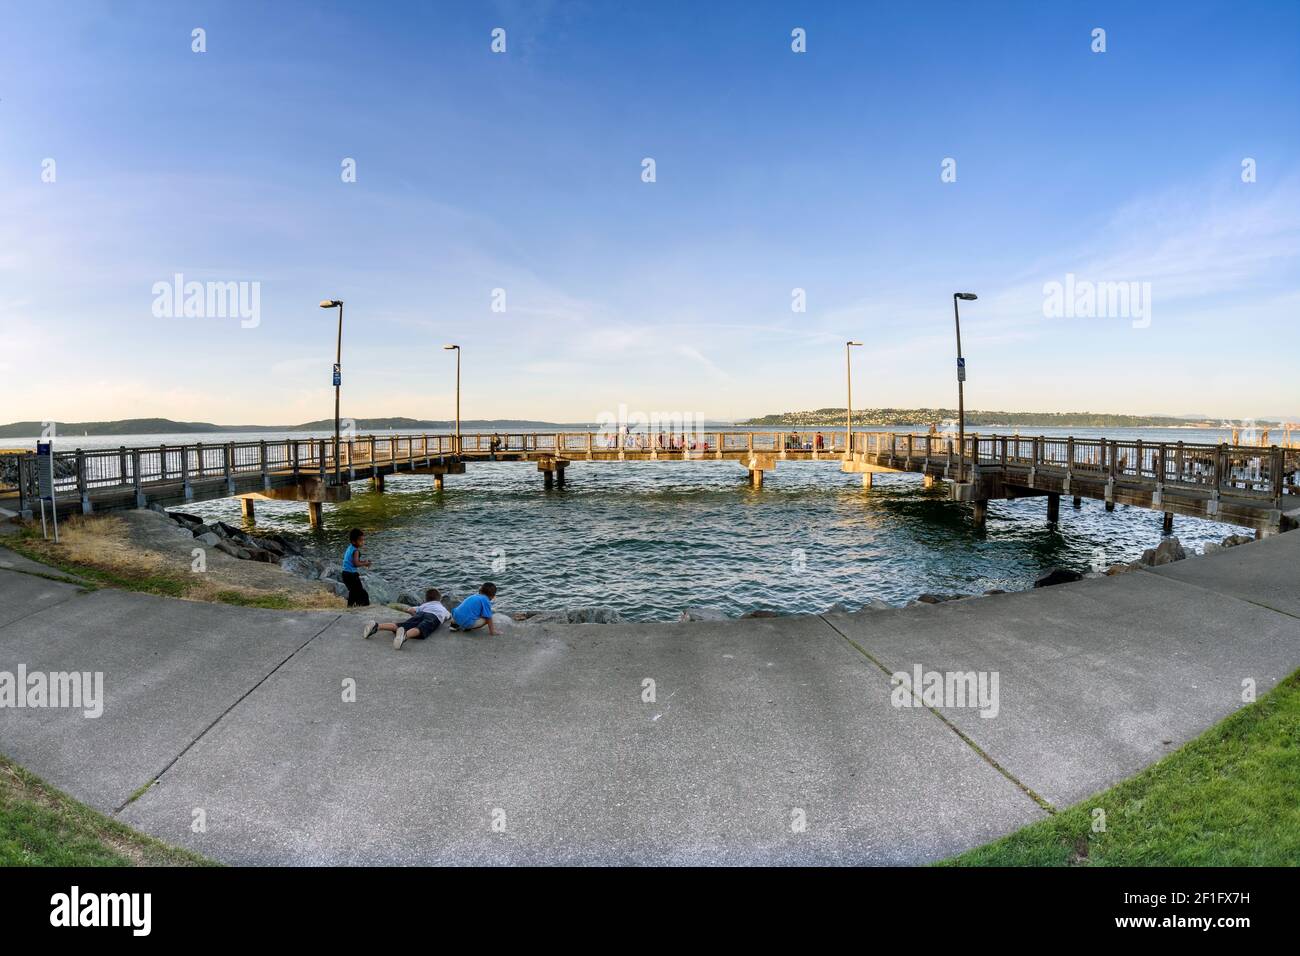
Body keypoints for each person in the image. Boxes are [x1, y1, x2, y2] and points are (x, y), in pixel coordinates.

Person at [363, 588, 450, 650]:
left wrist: (415, 616)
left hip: (420, 614)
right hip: (433, 617)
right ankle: (404, 636)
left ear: (426, 599)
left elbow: (410, 610)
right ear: (439, 599)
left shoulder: (424, 605)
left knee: (399, 625)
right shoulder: (442, 608)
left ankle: (377, 626)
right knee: (420, 628)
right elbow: (449, 617)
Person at [341, 528, 371, 607]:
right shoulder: (356, 551)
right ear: (354, 541)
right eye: (360, 540)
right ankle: (362, 608)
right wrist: (365, 563)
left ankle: (351, 607)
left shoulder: (350, 548)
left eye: (363, 540)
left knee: (353, 592)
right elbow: (356, 564)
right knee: (362, 594)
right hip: (351, 575)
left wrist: (363, 562)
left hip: (345, 574)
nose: (362, 542)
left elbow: (353, 561)